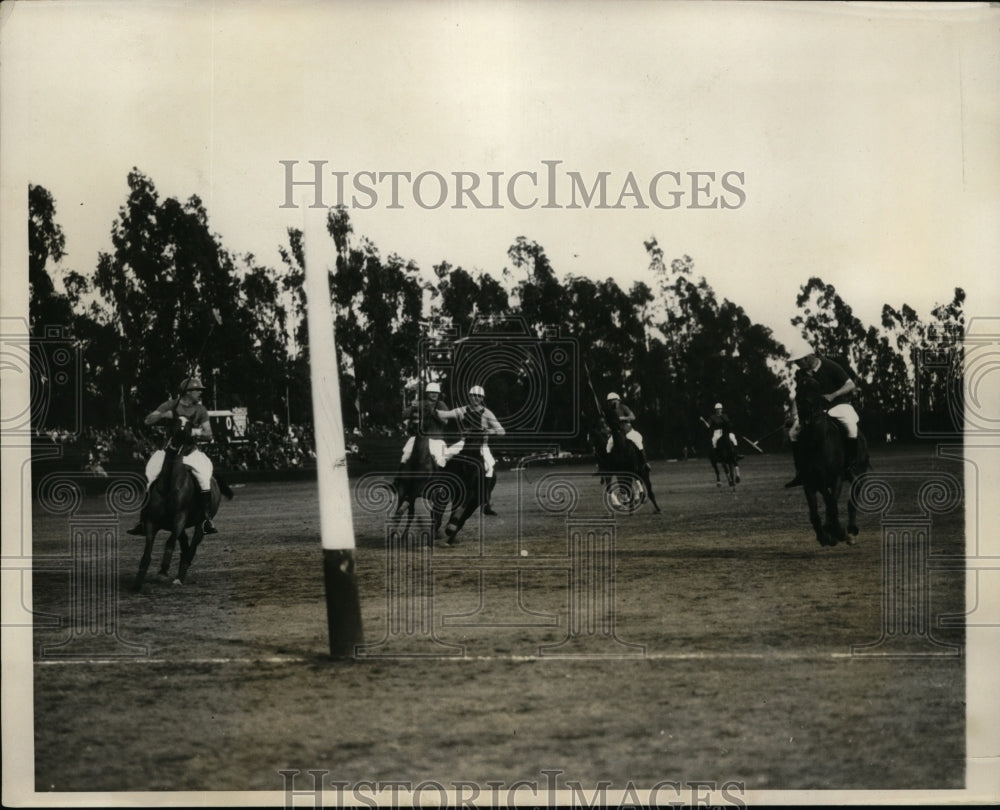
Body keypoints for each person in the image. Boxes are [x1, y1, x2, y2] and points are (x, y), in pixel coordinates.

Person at [127, 376, 219, 536]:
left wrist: (191, 431)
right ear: (187, 392)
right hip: (167, 450)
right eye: (197, 390)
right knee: (151, 477)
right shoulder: (170, 404)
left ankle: (206, 520)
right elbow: (148, 420)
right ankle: (143, 521)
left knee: (204, 479)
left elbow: (208, 434)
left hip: (190, 452)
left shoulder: (200, 410)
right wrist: (164, 415)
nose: (200, 393)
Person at [783, 342, 861, 488]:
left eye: (797, 361)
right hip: (815, 410)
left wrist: (832, 395)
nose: (796, 364)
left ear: (807, 358)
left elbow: (850, 385)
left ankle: (850, 468)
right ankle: (801, 472)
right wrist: (793, 414)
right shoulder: (800, 373)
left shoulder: (829, 365)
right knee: (793, 433)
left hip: (838, 405)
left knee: (851, 427)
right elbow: (798, 395)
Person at [446, 385, 505, 515]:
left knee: (489, 467)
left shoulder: (487, 413)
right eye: (473, 395)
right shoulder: (462, 410)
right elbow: (446, 414)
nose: (476, 398)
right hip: (463, 443)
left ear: (482, 398)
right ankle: (440, 488)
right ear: (469, 396)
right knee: (443, 457)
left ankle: (485, 501)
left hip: (481, 445)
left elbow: (501, 431)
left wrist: (487, 430)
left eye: (479, 396)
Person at [398, 381, 463, 469]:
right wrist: (413, 408)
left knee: (441, 461)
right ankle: (399, 479)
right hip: (419, 438)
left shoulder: (441, 405)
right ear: (427, 393)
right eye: (432, 392)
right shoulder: (421, 403)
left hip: (436, 439)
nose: (434, 394)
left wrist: (433, 412)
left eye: (436, 392)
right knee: (405, 457)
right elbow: (404, 414)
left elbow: (445, 422)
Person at [602, 392, 650, 472]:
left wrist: (622, 418)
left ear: (618, 400)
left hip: (628, 431)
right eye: (610, 401)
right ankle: (609, 466)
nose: (612, 402)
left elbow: (633, 417)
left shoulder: (623, 407)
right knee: (608, 446)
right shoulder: (609, 411)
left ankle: (645, 463)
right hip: (616, 433)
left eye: (614, 400)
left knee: (638, 442)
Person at [707, 402, 741, 483]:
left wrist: (728, 426)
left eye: (720, 409)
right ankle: (716, 455)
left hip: (725, 431)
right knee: (714, 441)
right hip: (717, 432)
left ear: (721, 409)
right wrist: (709, 425)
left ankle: (736, 454)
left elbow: (728, 423)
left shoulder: (725, 416)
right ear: (715, 410)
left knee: (733, 438)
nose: (719, 410)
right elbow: (709, 425)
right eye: (717, 409)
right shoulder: (712, 417)